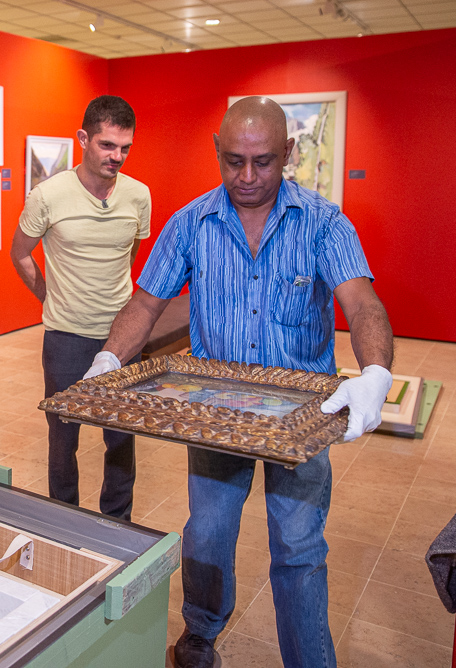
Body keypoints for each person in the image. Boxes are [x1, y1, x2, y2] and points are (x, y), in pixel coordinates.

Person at [85, 96, 393, 668]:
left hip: (303, 419)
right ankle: (199, 636)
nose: (246, 177)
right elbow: (146, 304)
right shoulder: (190, 223)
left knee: (299, 548)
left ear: (289, 154)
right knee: (207, 535)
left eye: (264, 162)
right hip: (216, 414)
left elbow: (364, 302)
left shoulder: (324, 224)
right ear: (217, 151)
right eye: (233, 162)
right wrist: (108, 358)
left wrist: (375, 371)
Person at [10, 95, 151, 521]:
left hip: (122, 339)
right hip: (66, 337)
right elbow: (20, 254)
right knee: (62, 437)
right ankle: (65, 522)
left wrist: (117, 309)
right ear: (83, 138)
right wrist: (50, 297)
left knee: (122, 436)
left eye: (125, 148)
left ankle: (117, 522)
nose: (117, 157)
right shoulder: (48, 195)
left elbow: (130, 253)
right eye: (108, 145)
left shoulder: (138, 195)